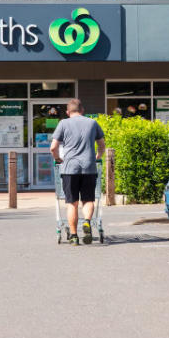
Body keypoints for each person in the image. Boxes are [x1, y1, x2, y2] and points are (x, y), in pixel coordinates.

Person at [49, 99, 105, 246]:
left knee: (72, 203)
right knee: (88, 200)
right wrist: (97, 157)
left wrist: (58, 159)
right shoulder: (92, 123)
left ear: (68, 112)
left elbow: (53, 147)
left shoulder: (63, 123)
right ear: (82, 110)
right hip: (89, 168)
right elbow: (102, 145)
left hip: (69, 168)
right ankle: (87, 222)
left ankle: (74, 236)